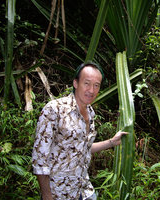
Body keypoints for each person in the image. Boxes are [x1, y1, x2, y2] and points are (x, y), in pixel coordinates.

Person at [32, 62, 128, 200]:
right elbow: (39, 158)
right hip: (59, 193)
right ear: (76, 83)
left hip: (83, 188)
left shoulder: (91, 113)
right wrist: (47, 195)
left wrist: (112, 142)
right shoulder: (54, 109)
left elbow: (83, 148)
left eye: (96, 85)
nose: (91, 90)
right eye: (87, 83)